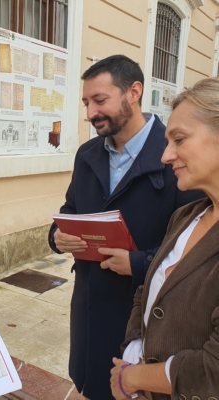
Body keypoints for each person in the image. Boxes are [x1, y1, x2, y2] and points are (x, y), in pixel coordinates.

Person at [48, 55, 203, 399]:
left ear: (134, 92)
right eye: (87, 103)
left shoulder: (179, 157)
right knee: (91, 383)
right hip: (88, 307)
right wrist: (56, 236)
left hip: (143, 319)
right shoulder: (87, 154)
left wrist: (136, 263)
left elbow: (193, 252)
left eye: (100, 100)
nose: (90, 113)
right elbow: (70, 210)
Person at [110, 77, 219, 399]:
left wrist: (132, 378)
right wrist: (133, 349)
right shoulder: (187, 217)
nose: (165, 156)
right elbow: (147, 292)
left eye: (180, 139)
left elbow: (213, 371)